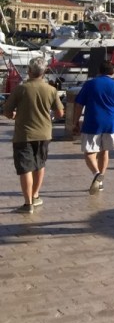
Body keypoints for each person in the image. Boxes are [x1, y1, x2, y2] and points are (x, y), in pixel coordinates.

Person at [2, 57, 64, 213]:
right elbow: (60, 112)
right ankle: (36, 195)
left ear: (29, 71)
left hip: (24, 134)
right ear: (44, 72)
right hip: (44, 133)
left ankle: (28, 203)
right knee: (39, 165)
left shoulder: (21, 89)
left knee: (25, 168)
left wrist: (15, 116)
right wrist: (49, 118)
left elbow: (7, 111)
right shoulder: (51, 89)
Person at [73, 61, 114, 194]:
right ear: (112, 72)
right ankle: (100, 182)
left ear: (99, 71)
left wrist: (75, 122)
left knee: (89, 152)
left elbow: (79, 105)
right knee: (105, 151)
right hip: (110, 123)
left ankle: (97, 174)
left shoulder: (90, 84)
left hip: (92, 122)